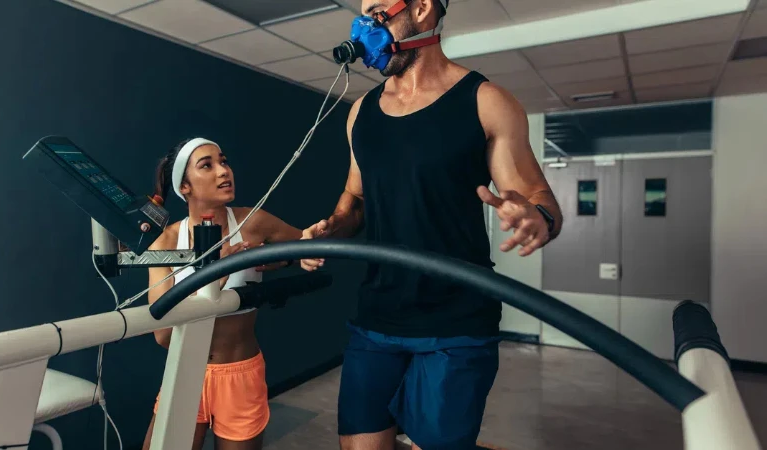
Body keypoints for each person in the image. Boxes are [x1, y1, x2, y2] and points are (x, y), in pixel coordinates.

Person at [301, 0, 564, 449]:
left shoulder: (485, 102)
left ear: (421, 9)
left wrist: (537, 218)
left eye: (379, 11)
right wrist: (332, 227)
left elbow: (542, 199)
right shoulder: (359, 113)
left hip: (456, 323)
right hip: (377, 317)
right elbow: (355, 202)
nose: (366, 25)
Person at [143, 137, 302, 450]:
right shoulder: (166, 241)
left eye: (224, 161)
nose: (223, 171)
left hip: (239, 375)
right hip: (185, 370)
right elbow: (162, 335)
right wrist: (221, 269)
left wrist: (280, 258)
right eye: (207, 165)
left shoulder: (252, 221)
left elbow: (305, 245)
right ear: (184, 186)